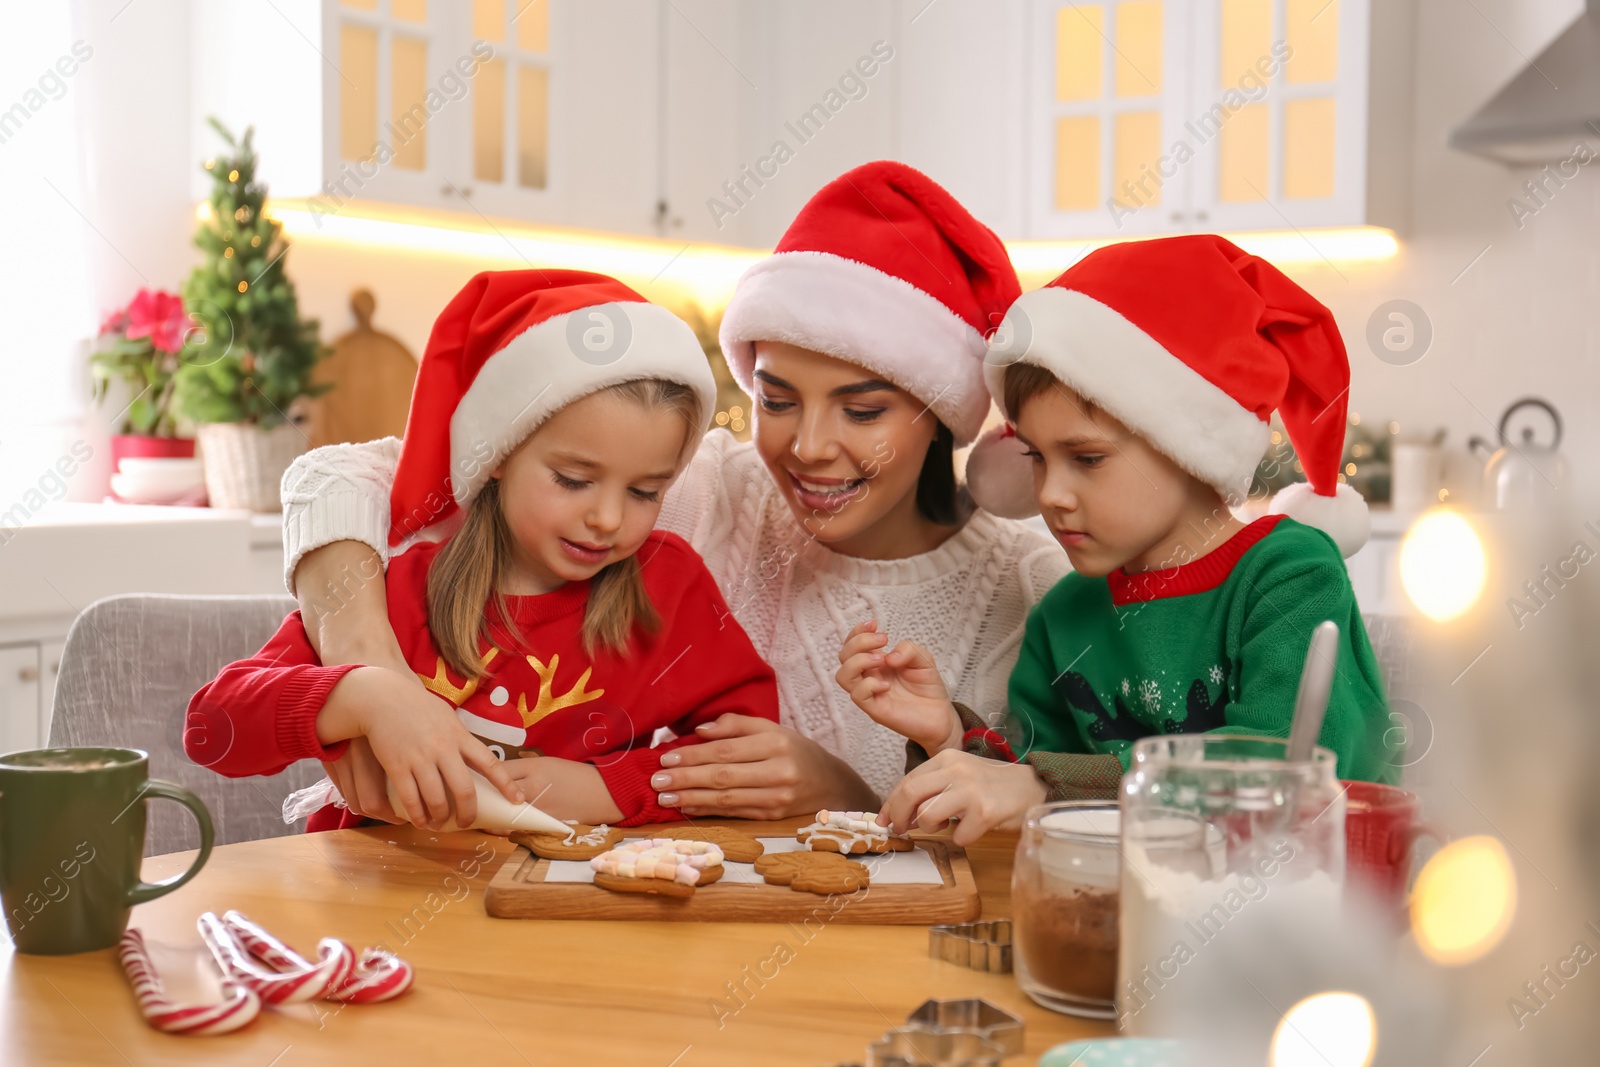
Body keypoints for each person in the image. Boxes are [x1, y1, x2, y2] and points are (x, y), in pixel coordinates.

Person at [278, 161, 1068, 823]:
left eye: (863, 410)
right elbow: (336, 476)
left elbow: (1024, 835)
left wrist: (837, 791)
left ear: (943, 413)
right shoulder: (696, 491)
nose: (809, 446)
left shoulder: (1028, 587)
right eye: (777, 398)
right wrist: (372, 677)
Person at [839, 235, 1398, 845]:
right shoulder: (1066, 613)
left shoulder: (1289, 575)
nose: (1051, 494)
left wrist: (1045, 786)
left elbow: (1286, 767)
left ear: (1184, 445)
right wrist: (946, 736)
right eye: (1036, 457)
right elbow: (1028, 794)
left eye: (1087, 458)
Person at [186, 270, 778, 831]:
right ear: (496, 452)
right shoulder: (397, 587)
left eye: (646, 491)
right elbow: (214, 728)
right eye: (573, 480)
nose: (608, 519)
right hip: (371, 904)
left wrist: (609, 789)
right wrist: (362, 695)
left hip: (564, 909)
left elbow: (748, 753)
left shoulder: (667, 585)